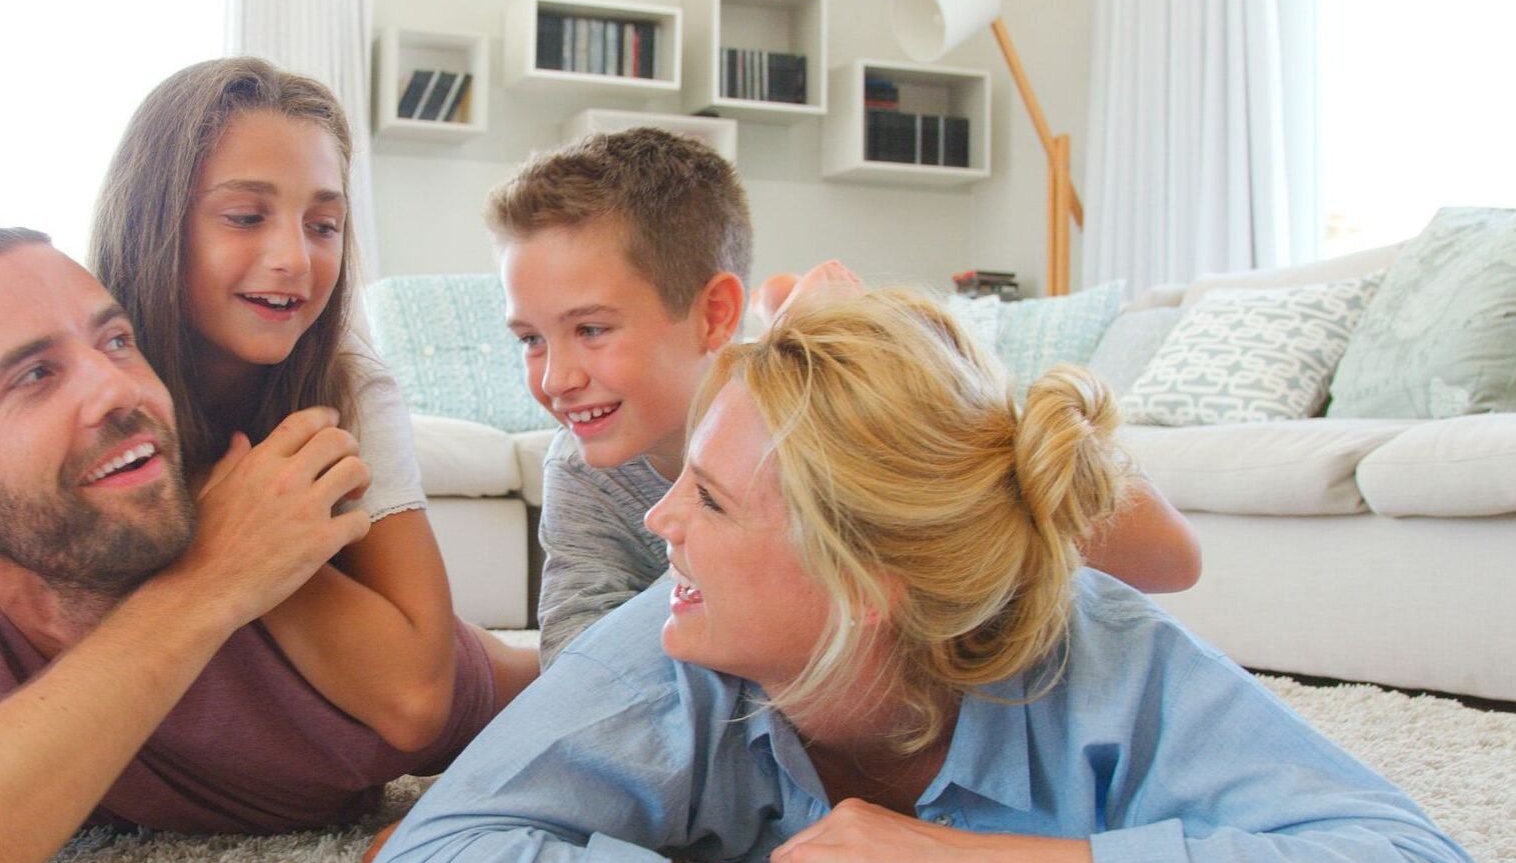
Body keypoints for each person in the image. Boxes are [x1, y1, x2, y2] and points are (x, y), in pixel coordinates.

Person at [354, 288, 1514, 863]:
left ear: (865, 584)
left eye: (708, 500)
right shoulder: (668, 645)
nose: (662, 523)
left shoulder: (1105, 653)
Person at [0, 230, 392, 863]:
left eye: (118, 341)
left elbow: (552, 684)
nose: (118, 387)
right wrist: (205, 590)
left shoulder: (295, 604)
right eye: (35, 374)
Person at [491, 127, 1200, 668]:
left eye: (589, 329)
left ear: (712, 315)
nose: (554, 378)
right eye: (529, 339)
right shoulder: (584, 469)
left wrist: (921, 387)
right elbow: (576, 670)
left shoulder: (840, 418)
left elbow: (1171, 560)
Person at [87, 56, 536, 738]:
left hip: (441, 673)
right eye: (244, 216)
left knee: (568, 684)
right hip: (258, 688)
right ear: (150, 221)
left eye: (323, 225)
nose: (294, 259)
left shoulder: (346, 381)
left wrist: (237, 527)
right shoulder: (83, 367)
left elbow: (418, 698)